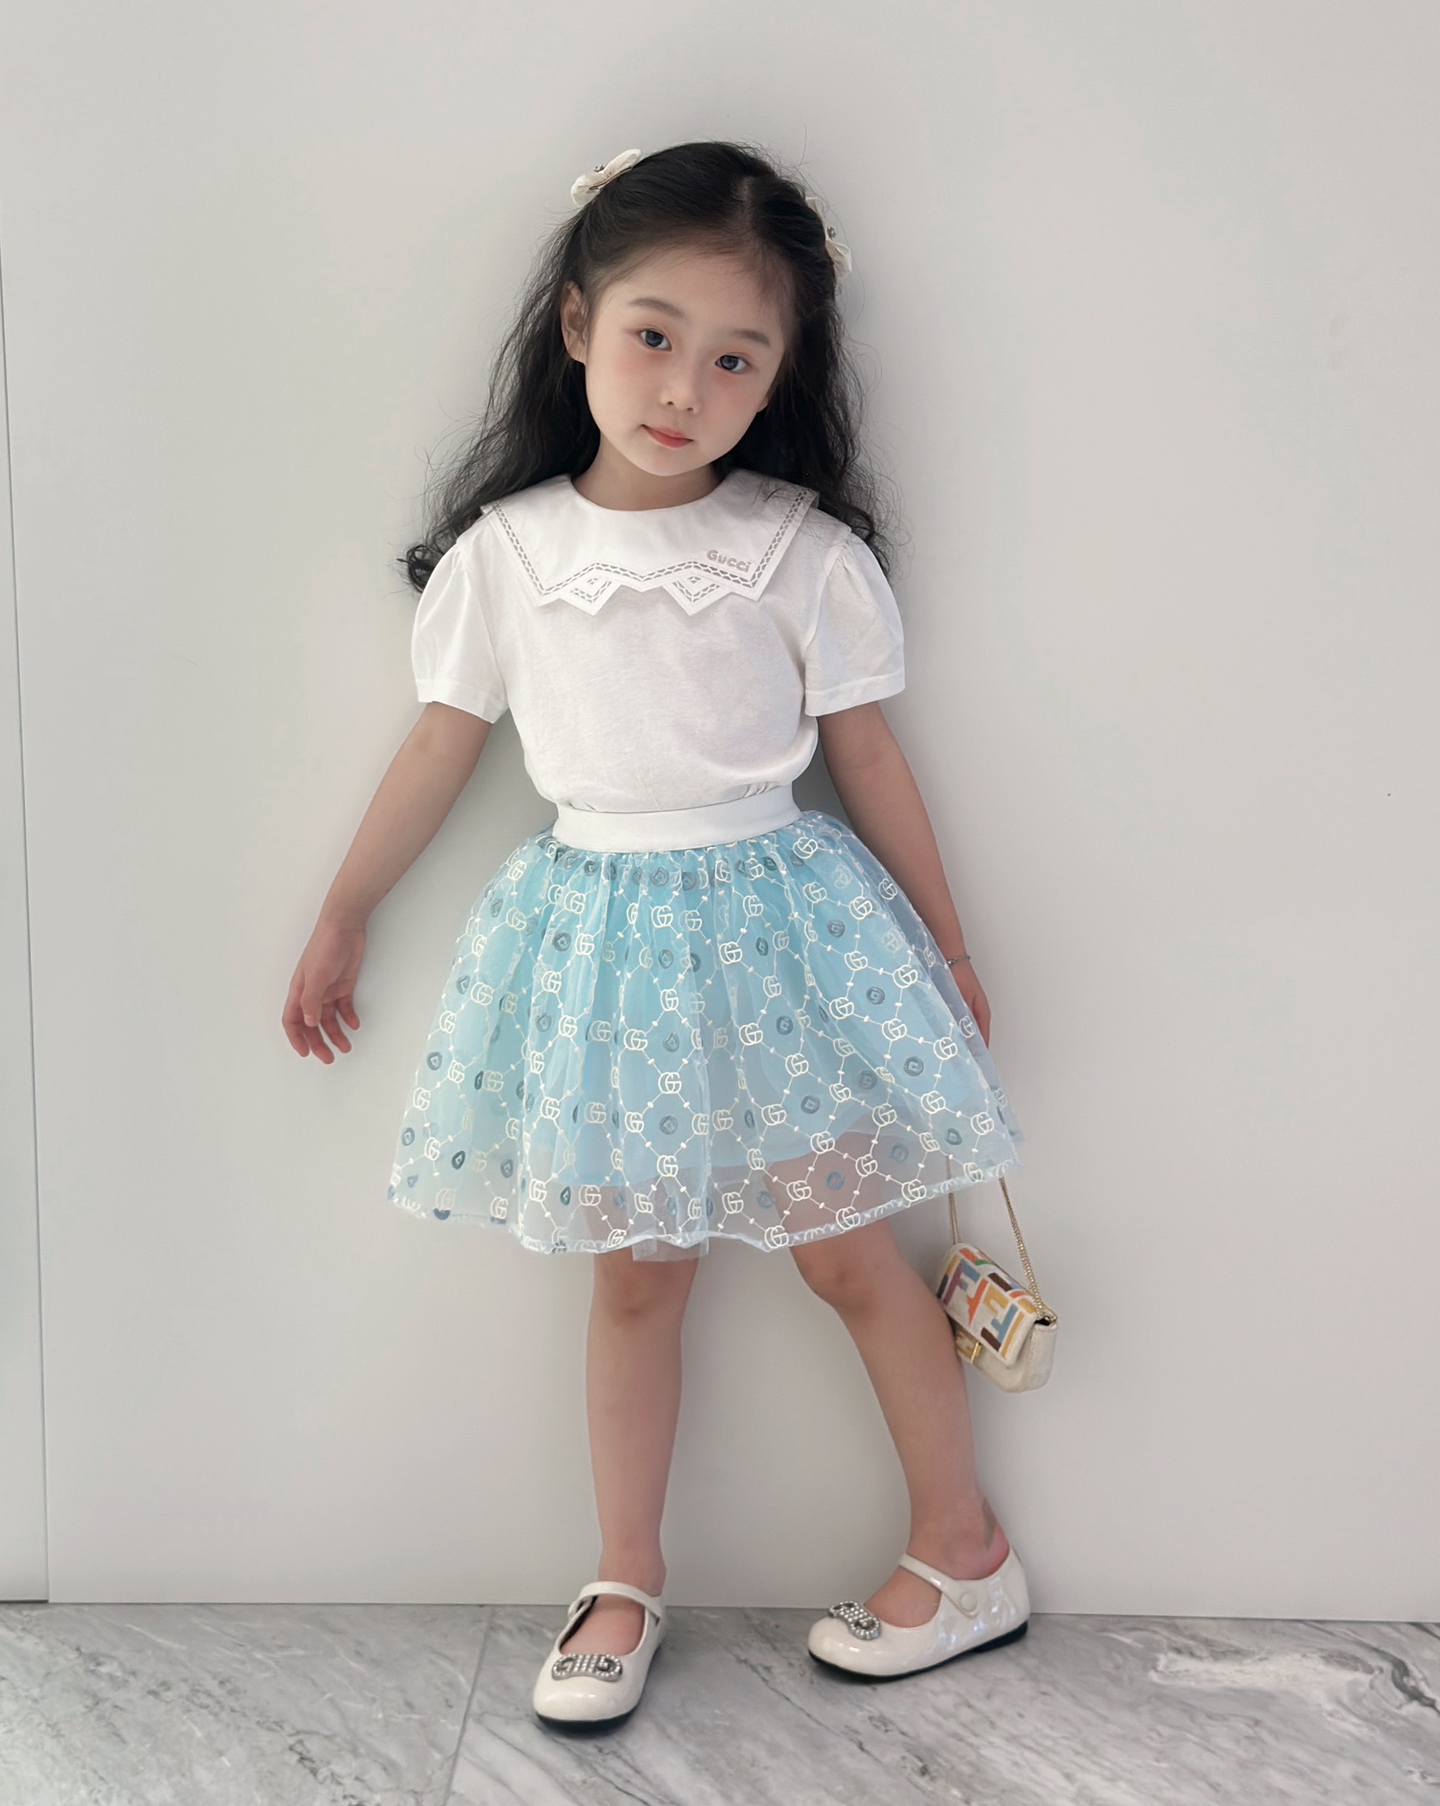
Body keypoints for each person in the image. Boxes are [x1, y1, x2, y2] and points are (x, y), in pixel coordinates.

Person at [282, 140, 1032, 1726]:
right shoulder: (508, 558)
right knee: (636, 1278)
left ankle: (966, 1549)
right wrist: (345, 907)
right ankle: (624, 1576)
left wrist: (950, 947)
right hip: (603, 952)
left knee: (851, 1252)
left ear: (780, 377)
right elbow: (439, 747)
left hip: (780, 938)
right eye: (653, 334)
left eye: (736, 356)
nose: (686, 385)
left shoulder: (800, 551)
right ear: (576, 324)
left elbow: (869, 756)